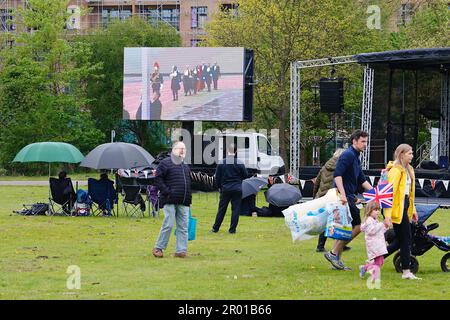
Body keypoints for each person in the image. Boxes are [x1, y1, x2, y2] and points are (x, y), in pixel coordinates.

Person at [324, 130, 373, 271]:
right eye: (363, 141)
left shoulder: (356, 157)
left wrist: (376, 194)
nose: (365, 144)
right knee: (357, 227)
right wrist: (344, 195)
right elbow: (337, 175)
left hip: (349, 196)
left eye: (366, 141)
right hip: (344, 197)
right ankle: (333, 253)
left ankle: (335, 258)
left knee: (347, 228)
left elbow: (361, 179)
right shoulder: (348, 155)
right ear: (354, 141)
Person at [383, 144, 421, 280]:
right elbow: (389, 194)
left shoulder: (409, 169)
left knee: (401, 240)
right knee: (406, 239)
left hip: (404, 206)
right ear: (401, 154)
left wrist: (413, 209)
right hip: (396, 208)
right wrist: (387, 215)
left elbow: (409, 193)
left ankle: (374, 260)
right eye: (409, 153)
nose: (412, 156)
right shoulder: (395, 171)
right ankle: (406, 271)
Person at [152, 141, 192, 258]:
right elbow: (158, 179)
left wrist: (189, 199)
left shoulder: (185, 165)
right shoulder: (165, 163)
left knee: (183, 227)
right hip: (169, 199)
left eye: (184, 149)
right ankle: (158, 248)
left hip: (183, 201)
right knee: (168, 224)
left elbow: (188, 183)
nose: (183, 151)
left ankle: (181, 251)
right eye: (180, 148)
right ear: (173, 150)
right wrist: (167, 192)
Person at [312, 148, 348, 252]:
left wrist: (315, 197)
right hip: (334, 197)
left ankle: (321, 246)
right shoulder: (342, 168)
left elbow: (317, 183)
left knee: (326, 222)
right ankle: (340, 245)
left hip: (322, 197)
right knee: (340, 221)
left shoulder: (325, 167)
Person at [211, 144, 248, 234]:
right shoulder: (239, 163)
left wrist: (219, 187)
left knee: (222, 209)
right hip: (237, 189)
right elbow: (245, 175)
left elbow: (217, 178)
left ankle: (215, 228)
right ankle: (232, 230)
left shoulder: (221, 163)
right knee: (235, 210)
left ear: (227, 151)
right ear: (236, 152)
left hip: (225, 189)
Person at [359, 201, 388, 284]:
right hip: (373, 245)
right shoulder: (369, 221)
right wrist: (381, 224)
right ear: (369, 210)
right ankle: (374, 278)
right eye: (375, 210)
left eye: (378, 210)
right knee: (378, 262)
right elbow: (372, 231)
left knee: (380, 262)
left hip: (378, 244)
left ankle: (364, 268)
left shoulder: (375, 220)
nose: (378, 212)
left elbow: (380, 231)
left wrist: (385, 226)